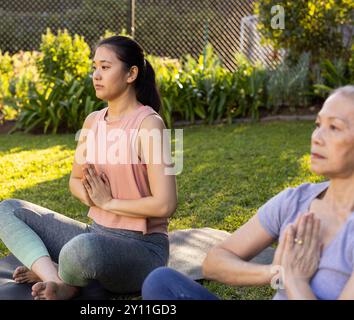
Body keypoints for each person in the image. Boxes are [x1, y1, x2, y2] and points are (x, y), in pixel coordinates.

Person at [0, 36, 177, 300]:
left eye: (105, 67)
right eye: (95, 67)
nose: (96, 75)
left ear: (131, 73)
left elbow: (165, 204)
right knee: (9, 210)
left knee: (80, 250)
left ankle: (63, 276)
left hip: (143, 249)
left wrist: (110, 202)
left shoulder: (149, 124)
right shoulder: (92, 122)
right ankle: (56, 279)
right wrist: (93, 196)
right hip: (96, 233)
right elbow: (75, 181)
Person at [142, 85, 354, 300]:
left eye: (334, 127)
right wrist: (277, 273)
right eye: (318, 124)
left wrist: (296, 280)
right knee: (161, 282)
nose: (317, 136)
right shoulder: (296, 200)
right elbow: (214, 262)